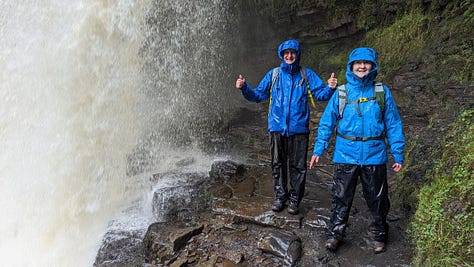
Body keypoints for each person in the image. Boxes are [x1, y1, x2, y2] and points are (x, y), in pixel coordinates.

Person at [309, 47, 405, 253]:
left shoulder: (381, 92)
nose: (362, 66)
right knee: (341, 196)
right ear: (351, 67)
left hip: (374, 154)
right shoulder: (342, 93)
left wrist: (397, 153)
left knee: (378, 199)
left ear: (372, 66)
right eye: (358, 63)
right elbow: (327, 123)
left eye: (366, 63)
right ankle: (335, 234)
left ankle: (379, 236)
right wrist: (318, 149)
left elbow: (393, 124)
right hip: (345, 153)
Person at [235, 39, 337, 215]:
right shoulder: (274, 75)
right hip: (276, 127)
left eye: (293, 53)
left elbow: (320, 94)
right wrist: (244, 88)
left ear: (297, 55)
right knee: (277, 164)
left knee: (298, 166)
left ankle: (295, 200)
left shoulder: (306, 74)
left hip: (299, 129)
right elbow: (258, 95)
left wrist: (330, 87)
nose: (289, 56)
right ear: (282, 55)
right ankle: (280, 196)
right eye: (286, 53)